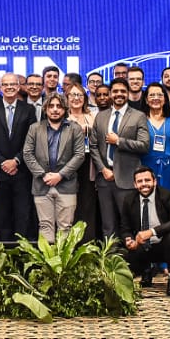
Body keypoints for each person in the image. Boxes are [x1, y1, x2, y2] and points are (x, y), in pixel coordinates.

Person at [91, 79, 151, 242]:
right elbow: (93, 146)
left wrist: (118, 141)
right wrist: (102, 168)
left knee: (129, 224)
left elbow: (144, 145)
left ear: (128, 93)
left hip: (127, 178)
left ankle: (132, 257)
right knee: (108, 225)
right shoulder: (101, 116)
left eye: (123, 91)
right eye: (115, 91)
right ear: (111, 94)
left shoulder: (138, 116)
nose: (119, 94)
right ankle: (110, 256)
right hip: (105, 178)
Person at [24, 93, 86, 239]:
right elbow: (27, 153)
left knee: (65, 227)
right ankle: (47, 255)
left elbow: (79, 155)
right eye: (51, 106)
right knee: (45, 226)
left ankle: (63, 256)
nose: (55, 109)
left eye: (59, 106)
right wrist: (43, 174)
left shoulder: (75, 128)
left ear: (65, 109)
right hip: (42, 184)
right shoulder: (35, 128)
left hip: (66, 185)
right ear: (45, 109)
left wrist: (60, 175)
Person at [118, 167, 170, 296]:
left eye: (147, 180)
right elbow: (125, 228)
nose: (144, 184)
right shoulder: (129, 199)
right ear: (135, 184)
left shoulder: (167, 196)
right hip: (142, 246)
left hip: (164, 245)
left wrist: (151, 232)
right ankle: (146, 270)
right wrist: (129, 240)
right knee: (122, 253)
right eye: (140, 181)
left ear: (154, 181)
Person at [0, 73, 35, 241]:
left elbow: (31, 140)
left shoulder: (28, 110)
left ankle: (21, 251)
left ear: (18, 86)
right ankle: (5, 251)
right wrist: (2, 162)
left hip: (21, 172)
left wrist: (16, 161)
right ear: (1, 87)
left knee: (22, 216)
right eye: (5, 84)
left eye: (13, 84)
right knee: (3, 217)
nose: (9, 87)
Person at [64, 83, 100, 237]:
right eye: (72, 95)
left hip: (89, 166)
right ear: (67, 98)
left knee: (87, 205)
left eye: (79, 95)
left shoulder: (93, 116)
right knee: (70, 207)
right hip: (68, 167)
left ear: (84, 98)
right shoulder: (62, 117)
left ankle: (87, 243)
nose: (76, 98)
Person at [140, 84, 170, 195]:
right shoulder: (139, 118)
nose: (156, 98)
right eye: (152, 95)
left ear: (165, 99)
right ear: (146, 100)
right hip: (146, 168)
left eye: (159, 95)